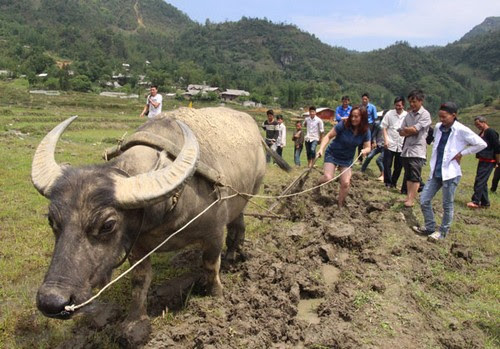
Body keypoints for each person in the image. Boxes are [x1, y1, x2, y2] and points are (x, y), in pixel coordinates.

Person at [413, 102, 486, 240]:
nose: (441, 119)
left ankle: (442, 232)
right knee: (424, 199)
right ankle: (429, 227)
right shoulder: (439, 127)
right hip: (436, 171)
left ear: (454, 115)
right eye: (440, 116)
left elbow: (481, 143)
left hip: (450, 173)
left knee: (447, 204)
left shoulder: (461, 129)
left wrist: (462, 153)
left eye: (444, 117)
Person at [316, 106, 371, 206]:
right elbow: (328, 136)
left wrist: (365, 150)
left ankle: (340, 205)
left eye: (356, 117)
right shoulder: (344, 124)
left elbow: (368, 147)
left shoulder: (365, 131)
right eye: (352, 116)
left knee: (346, 183)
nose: (353, 119)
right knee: (328, 177)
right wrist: (321, 149)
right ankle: (318, 183)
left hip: (347, 159)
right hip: (333, 153)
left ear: (362, 118)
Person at [398, 89, 431, 207]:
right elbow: (401, 132)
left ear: (421, 101)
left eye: (414, 102)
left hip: (417, 150)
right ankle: (408, 197)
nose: (412, 104)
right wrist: (409, 130)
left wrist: (408, 130)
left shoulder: (425, 115)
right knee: (407, 174)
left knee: (415, 176)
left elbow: (415, 130)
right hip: (406, 149)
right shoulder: (408, 115)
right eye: (410, 102)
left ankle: (411, 199)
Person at [467, 116, 500, 208]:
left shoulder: (491, 132)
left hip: (489, 160)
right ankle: (485, 203)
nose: (478, 126)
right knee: (483, 181)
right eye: (476, 125)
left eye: (478, 124)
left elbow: (497, 147)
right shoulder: (482, 133)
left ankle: (476, 201)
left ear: (484, 122)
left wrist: (498, 161)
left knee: (479, 181)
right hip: (483, 159)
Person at [382, 96, 407, 188]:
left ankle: (394, 182)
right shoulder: (389, 114)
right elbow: (384, 127)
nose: (398, 107)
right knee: (387, 164)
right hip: (390, 142)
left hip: (401, 144)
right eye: (396, 105)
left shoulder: (406, 115)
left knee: (398, 166)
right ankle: (387, 182)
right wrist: (385, 140)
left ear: (403, 105)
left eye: (399, 105)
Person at [361, 111, 385, 180]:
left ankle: (383, 175)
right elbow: (373, 134)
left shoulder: (390, 125)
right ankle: (362, 170)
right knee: (369, 156)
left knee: (379, 160)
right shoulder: (378, 124)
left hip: (385, 146)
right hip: (378, 145)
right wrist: (374, 141)